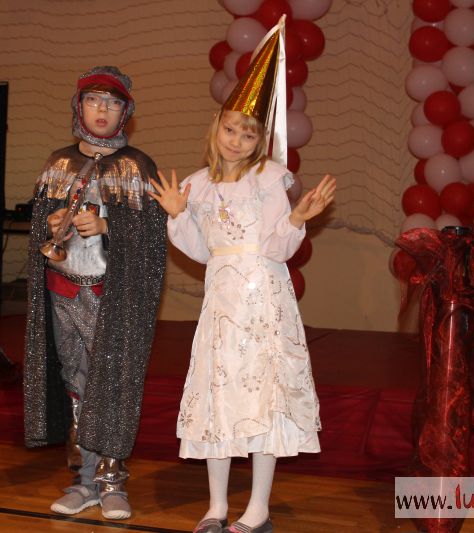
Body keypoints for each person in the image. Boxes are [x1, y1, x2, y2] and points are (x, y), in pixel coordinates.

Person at [148, 20, 336, 533]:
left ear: (259, 140)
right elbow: (200, 251)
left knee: (262, 396)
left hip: (264, 300)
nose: (236, 140)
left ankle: (258, 508)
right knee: (219, 393)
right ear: (217, 127)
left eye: (248, 133)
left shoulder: (270, 179)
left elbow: (276, 248)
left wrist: (296, 218)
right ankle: (215, 506)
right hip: (223, 301)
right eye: (230, 130)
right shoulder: (198, 184)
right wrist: (178, 214)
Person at [23, 65, 167, 520]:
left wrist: (107, 226)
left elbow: (155, 240)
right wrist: (50, 224)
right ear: (78, 107)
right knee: (74, 384)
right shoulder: (58, 164)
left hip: (112, 294)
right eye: (93, 100)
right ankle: (83, 480)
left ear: (126, 112)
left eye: (112, 102)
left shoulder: (137, 166)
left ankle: (112, 481)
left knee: (112, 384)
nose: (102, 110)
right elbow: (38, 229)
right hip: (63, 288)